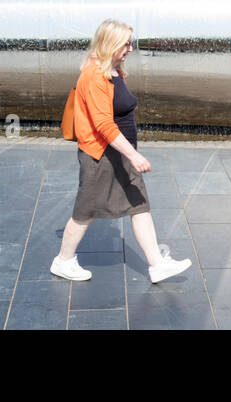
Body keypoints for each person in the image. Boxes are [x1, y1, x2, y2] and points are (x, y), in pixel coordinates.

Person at [52, 19, 192, 284]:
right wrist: (134, 155)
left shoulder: (114, 71)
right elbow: (103, 125)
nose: (130, 48)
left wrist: (129, 154)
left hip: (119, 154)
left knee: (139, 205)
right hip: (101, 156)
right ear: (110, 44)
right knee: (86, 212)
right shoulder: (93, 76)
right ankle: (63, 260)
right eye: (125, 43)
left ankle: (157, 265)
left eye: (130, 42)